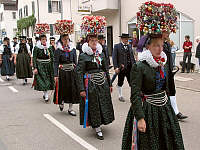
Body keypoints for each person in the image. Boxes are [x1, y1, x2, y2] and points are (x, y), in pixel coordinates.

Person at [76, 34, 114, 140]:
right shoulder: (84, 55)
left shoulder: (100, 54)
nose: (94, 42)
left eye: (95, 40)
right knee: (94, 105)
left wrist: (110, 84)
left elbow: (105, 69)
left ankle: (101, 121)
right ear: (88, 42)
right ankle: (97, 127)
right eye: (91, 40)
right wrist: (81, 89)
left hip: (103, 84)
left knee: (103, 103)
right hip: (91, 85)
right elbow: (79, 73)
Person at [162, 32, 188, 120]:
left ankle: (176, 112)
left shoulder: (167, 43)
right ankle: (165, 114)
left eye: (169, 32)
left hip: (169, 71)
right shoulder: (158, 43)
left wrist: (171, 69)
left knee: (172, 90)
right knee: (163, 92)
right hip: (161, 72)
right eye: (166, 32)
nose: (168, 34)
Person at [53, 34, 79, 115]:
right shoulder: (58, 50)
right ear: (61, 40)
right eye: (64, 39)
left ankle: (70, 108)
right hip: (63, 72)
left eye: (67, 39)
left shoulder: (73, 49)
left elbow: (75, 62)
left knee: (72, 89)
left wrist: (77, 72)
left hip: (72, 71)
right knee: (63, 89)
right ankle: (61, 102)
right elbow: (56, 62)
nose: (66, 41)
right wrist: (55, 75)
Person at [112, 33, 135, 102]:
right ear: (121, 39)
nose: (126, 40)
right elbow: (114, 58)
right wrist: (115, 67)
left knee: (131, 83)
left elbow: (132, 57)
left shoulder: (129, 46)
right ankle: (120, 95)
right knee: (120, 82)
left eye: (127, 39)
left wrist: (134, 65)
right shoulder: (117, 46)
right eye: (125, 39)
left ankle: (132, 96)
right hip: (121, 68)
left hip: (130, 67)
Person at [32, 34, 54, 102]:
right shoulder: (37, 48)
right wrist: (35, 67)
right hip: (40, 65)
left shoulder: (49, 47)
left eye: (45, 39)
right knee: (44, 80)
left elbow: (52, 56)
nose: (44, 41)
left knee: (48, 80)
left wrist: (54, 65)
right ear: (40, 40)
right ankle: (46, 94)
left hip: (48, 65)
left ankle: (45, 93)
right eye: (42, 39)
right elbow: (34, 58)